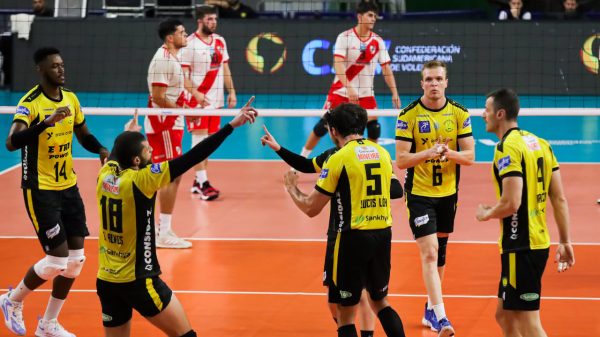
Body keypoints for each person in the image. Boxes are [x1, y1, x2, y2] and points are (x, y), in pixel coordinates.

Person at [96, 98, 257, 337]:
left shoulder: (105, 174)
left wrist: (129, 132)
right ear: (137, 161)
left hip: (106, 281)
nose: (152, 150)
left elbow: (117, 153)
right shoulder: (142, 180)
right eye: (147, 149)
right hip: (139, 280)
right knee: (185, 335)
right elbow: (194, 156)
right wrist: (231, 126)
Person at [0, 47, 109, 337]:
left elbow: (83, 134)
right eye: (54, 66)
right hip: (40, 189)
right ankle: (12, 300)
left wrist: (100, 149)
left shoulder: (71, 99)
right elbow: (11, 143)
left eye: (62, 65)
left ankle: (48, 324)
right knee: (58, 259)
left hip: (68, 187)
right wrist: (44, 125)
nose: (61, 70)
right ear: (41, 70)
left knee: (76, 262)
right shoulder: (30, 103)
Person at [261, 124, 404, 337]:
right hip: (349, 235)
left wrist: (357, 184)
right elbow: (307, 164)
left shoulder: (341, 159)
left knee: (353, 305)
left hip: (348, 235)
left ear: (333, 131)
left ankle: (365, 334)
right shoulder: (337, 156)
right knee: (342, 300)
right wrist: (278, 148)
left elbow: (311, 208)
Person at [476, 88, 575, 337]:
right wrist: (564, 240)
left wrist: (487, 213)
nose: (482, 115)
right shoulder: (541, 143)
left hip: (520, 245)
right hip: (535, 242)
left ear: (500, 114)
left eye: (486, 110)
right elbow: (559, 198)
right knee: (504, 314)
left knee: (530, 324)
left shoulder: (507, 147)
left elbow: (511, 202)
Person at [394, 60, 475, 336]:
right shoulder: (408, 115)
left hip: (448, 195)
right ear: (422, 83)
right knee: (429, 252)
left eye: (438, 79)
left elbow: (470, 157)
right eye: (429, 79)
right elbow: (402, 161)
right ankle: (442, 318)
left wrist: (447, 153)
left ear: (446, 82)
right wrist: (428, 154)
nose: (434, 84)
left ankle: (430, 308)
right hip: (419, 194)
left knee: (440, 256)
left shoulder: (459, 114)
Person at [299, 1, 400, 159]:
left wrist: (395, 92)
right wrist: (349, 88)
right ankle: (298, 163)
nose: (374, 18)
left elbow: (387, 69)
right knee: (322, 127)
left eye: (375, 16)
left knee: (374, 128)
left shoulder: (378, 41)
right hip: (341, 91)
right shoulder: (345, 37)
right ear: (360, 16)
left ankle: (374, 161)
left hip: (365, 93)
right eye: (370, 15)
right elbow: (337, 64)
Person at [145, 19, 204, 248]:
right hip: (165, 122)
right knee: (170, 174)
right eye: (182, 32)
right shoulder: (162, 59)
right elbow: (159, 97)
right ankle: (163, 233)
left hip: (170, 120)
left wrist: (188, 106)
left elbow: (170, 92)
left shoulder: (172, 58)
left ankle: (162, 230)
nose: (186, 35)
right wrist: (186, 111)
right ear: (170, 38)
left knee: (171, 174)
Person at [180, 5, 237, 201]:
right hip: (197, 102)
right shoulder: (189, 44)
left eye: (215, 19)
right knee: (199, 142)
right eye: (209, 19)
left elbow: (226, 69)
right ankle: (204, 183)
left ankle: (198, 181)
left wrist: (232, 92)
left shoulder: (220, 41)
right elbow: (183, 77)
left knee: (209, 143)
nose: (213, 22)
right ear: (200, 21)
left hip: (216, 102)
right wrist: (195, 94)